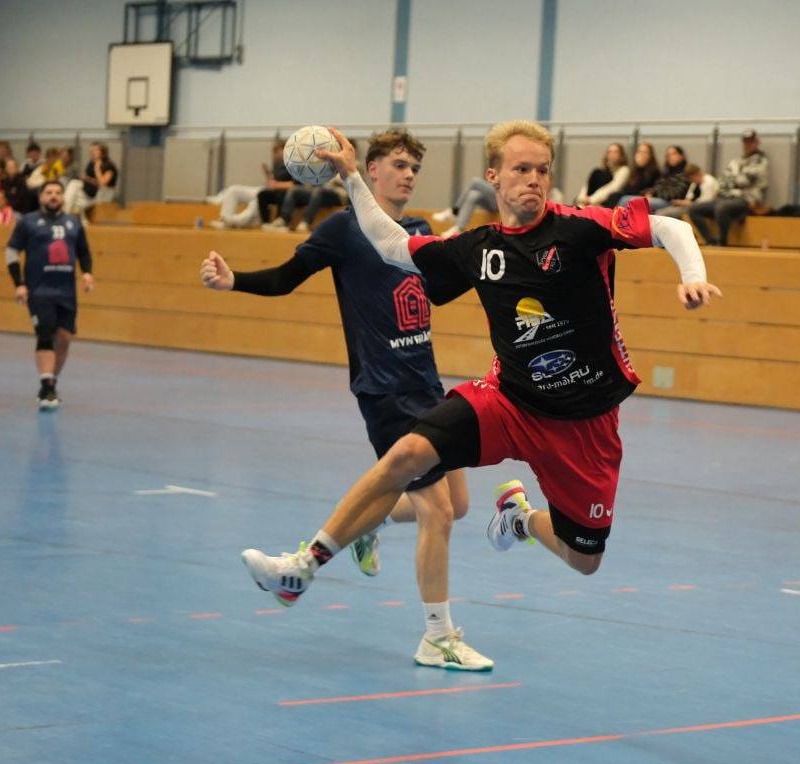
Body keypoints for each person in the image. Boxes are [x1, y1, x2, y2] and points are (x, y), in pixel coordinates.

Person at [236, 120, 720, 642]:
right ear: (494, 176)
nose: (533, 179)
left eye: (542, 170)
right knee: (406, 455)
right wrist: (353, 177)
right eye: (521, 168)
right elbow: (393, 245)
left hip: (584, 425)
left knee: (584, 559)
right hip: (507, 403)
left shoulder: (580, 228)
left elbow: (668, 228)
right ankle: (301, 569)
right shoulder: (478, 248)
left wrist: (692, 276)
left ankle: (518, 519)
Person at [199, 130, 487, 669]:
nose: (408, 175)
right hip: (387, 391)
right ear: (370, 169)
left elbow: (439, 289)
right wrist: (233, 281)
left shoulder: (418, 231)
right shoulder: (342, 230)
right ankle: (437, 636)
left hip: (428, 383)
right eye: (398, 164)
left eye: (414, 168)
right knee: (439, 512)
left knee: (460, 503)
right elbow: (286, 277)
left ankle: (364, 526)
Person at [5, 181, 95, 409]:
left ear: (63, 197)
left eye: (57, 192)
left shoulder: (73, 222)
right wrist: (19, 284)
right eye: (48, 192)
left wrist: (87, 273)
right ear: (41, 197)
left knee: (64, 338)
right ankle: (46, 387)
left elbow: (84, 251)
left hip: (66, 292)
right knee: (45, 333)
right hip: (39, 290)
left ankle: (51, 382)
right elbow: (12, 251)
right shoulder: (28, 222)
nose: (53, 196)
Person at [688, 129, 769, 245]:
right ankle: (711, 241)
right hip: (727, 198)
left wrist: (732, 182)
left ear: (757, 142)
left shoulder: (761, 161)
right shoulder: (736, 161)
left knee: (721, 207)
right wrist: (733, 183)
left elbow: (745, 180)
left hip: (748, 201)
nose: (747, 144)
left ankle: (722, 242)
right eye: (745, 142)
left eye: (750, 141)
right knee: (694, 209)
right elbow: (723, 181)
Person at [63, 142, 118, 217]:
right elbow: (86, 177)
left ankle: (66, 216)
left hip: (102, 195)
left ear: (102, 152)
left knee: (74, 187)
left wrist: (97, 168)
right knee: (74, 184)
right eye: (91, 150)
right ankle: (65, 215)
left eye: (95, 150)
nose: (92, 152)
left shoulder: (108, 165)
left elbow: (102, 183)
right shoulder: (91, 163)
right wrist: (86, 178)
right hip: (88, 192)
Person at [606, 141, 660, 207]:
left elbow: (649, 189)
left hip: (642, 197)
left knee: (623, 199)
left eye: (645, 152)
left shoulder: (655, 171)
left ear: (650, 155)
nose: (641, 155)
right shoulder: (634, 171)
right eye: (639, 152)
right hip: (631, 195)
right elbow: (628, 189)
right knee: (614, 196)